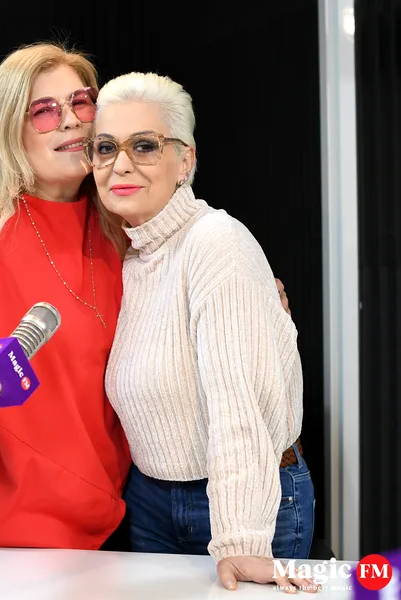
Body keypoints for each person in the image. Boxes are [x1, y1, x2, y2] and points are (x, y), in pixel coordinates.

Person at [0, 42, 293, 553]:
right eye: (44, 111)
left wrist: (257, 306)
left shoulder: (125, 224)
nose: (70, 120)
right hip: (1, 508)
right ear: (9, 129)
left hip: (118, 507)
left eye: (81, 102)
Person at [84, 72, 318, 592]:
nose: (121, 163)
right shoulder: (131, 258)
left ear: (184, 160)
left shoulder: (216, 242)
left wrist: (240, 538)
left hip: (243, 501)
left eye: (144, 146)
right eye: (106, 147)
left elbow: (239, 404)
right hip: (150, 500)